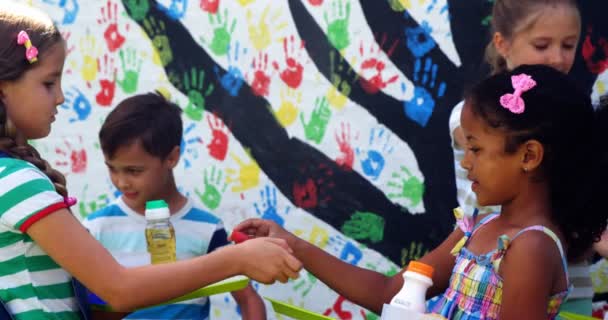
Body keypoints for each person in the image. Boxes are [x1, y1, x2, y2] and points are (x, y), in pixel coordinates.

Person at [0, 2, 301, 319]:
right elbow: (118, 289)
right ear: (3, 88)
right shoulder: (17, 182)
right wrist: (237, 260)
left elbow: (100, 301)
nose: (60, 97)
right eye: (49, 83)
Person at [234, 65, 608, 319]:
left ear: (528, 156)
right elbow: (387, 291)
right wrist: (292, 245)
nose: (466, 164)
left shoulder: (531, 248)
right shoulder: (476, 229)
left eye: (476, 149)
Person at [448, 0, 598, 315]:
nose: (557, 58)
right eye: (542, 45)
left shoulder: (576, 115)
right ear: (502, 43)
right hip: (491, 274)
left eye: (569, 45)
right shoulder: (474, 118)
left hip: (569, 281)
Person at [81, 92, 267, 320]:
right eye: (112, 168)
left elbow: (248, 299)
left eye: (134, 171)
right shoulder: (96, 227)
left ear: (172, 158)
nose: (121, 181)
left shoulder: (207, 229)